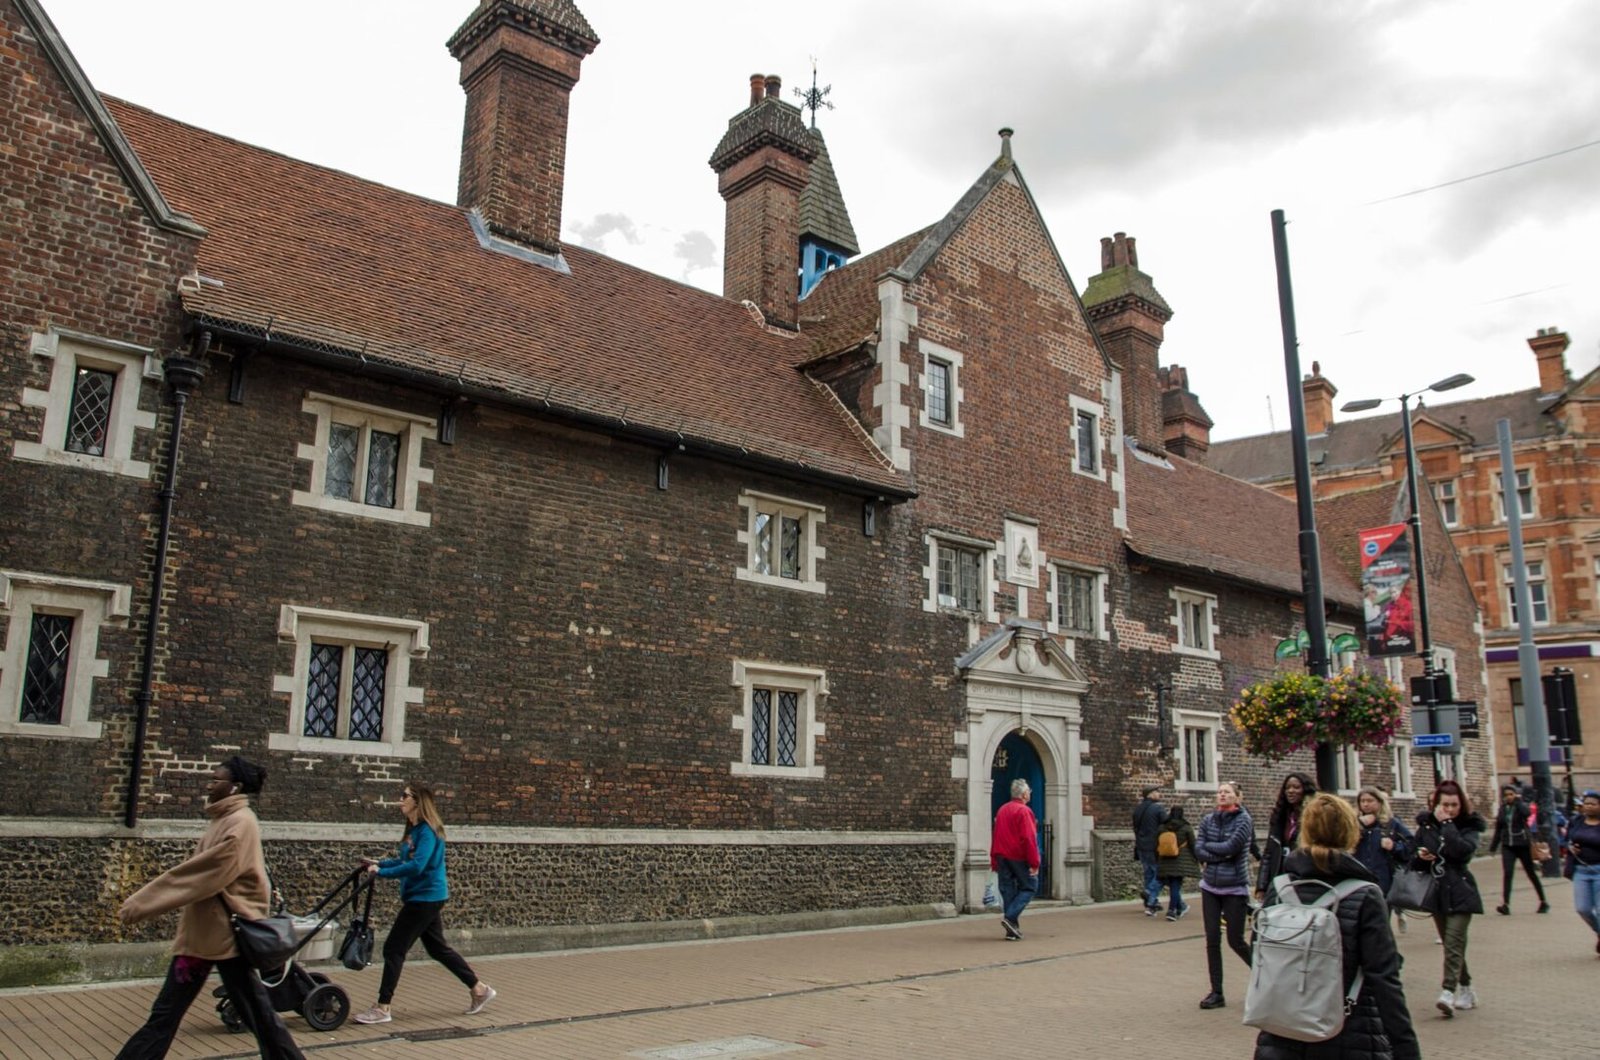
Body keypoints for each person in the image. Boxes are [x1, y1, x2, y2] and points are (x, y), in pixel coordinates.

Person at [115, 757, 306, 1060]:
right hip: (206, 937)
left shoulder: (240, 823)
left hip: (224, 937)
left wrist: (142, 903)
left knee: (255, 1018)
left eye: (216, 779)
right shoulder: (224, 820)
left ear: (234, 787)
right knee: (170, 1016)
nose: (210, 784)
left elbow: (201, 874)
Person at [1251, 794, 1421, 1060]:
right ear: (1350, 833)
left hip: (1283, 1029)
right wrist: (1406, 1049)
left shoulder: (1280, 889)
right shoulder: (1365, 894)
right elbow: (1385, 979)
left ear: (1305, 832)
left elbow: (1259, 955)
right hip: (1349, 1029)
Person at [355, 782, 494, 1024]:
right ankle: (479, 989)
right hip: (422, 896)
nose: (400, 799)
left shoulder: (428, 831)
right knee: (437, 948)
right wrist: (378, 863)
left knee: (393, 948)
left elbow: (418, 865)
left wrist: (382, 873)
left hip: (425, 898)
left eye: (405, 796)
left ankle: (382, 1007)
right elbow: (404, 859)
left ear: (418, 802)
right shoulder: (414, 830)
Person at [1411, 779, 1486, 1018]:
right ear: (1436, 803)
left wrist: (1448, 824)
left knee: (1453, 942)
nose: (1450, 809)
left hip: (1461, 890)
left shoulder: (1469, 826)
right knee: (1451, 944)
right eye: (1445, 805)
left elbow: (1461, 852)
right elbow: (1412, 859)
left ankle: (1447, 992)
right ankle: (1467, 988)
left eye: (1454, 805)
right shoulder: (1426, 825)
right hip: (1437, 892)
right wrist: (1422, 856)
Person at [1192, 780, 1254, 1010]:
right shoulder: (1208, 819)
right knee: (1212, 939)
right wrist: (1217, 853)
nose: (1222, 795)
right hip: (1210, 886)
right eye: (1219, 792)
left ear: (1238, 797)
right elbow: (1198, 848)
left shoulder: (1244, 820)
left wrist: (1211, 851)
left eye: (1227, 792)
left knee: (1235, 940)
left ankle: (1266, 978)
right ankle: (1216, 991)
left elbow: (1232, 847)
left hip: (1234, 887)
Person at [1352, 786, 1414, 934]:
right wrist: (1358, 826)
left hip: (1383, 880)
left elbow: (1411, 845)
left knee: (1381, 922)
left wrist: (1394, 846)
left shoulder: (1391, 824)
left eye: (1370, 800)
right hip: (1359, 879)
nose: (1366, 804)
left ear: (1379, 802)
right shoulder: (1353, 824)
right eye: (1362, 801)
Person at [990, 777, 1041, 940]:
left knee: (1008, 891)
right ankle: (1010, 917)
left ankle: (1011, 930)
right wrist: (1034, 862)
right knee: (1030, 886)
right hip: (1017, 856)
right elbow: (1028, 838)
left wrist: (994, 858)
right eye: (1029, 792)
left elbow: (996, 834)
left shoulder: (1002, 809)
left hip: (1001, 856)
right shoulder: (1024, 811)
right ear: (1024, 794)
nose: (1030, 794)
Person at [1488, 783, 1549, 915]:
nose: (1509, 797)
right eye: (1506, 795)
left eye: (1511, 794)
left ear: (1515, 795)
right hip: (1507, 845)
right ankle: (1506, 904)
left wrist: (1518, 802)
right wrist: (1493, 847)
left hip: (1522, 844)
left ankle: (1543, 901)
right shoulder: (1503, 809)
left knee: (1531, 873)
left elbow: (1527, 814)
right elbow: (1499, 828)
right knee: (1508, 873)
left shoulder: (1520, 806)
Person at [1257, 772, 1316, 899]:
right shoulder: (1280, 817)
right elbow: (1268, 853)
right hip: (1280, 875)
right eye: (1287, 787)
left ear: (1305, 790)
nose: (1290, 791)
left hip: (1301, 876)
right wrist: (1261, 886)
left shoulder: (1312, 817)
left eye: (1296, 787)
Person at [1566, 790, 1600, 955]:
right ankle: (1599, 932)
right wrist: (1571, 848)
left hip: (1599, 870)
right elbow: (1568, 840)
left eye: (1593, 804)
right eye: (1586, 803)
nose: (1588, 807)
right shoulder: (1577, 821)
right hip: (1581, 871)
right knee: (1583, 909)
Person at [1154, 803, 1199, 921]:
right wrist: (1198, 859)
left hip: (1164, 860)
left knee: (1173, 885)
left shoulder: (1162, 827)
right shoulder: (1186, 828)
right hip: (1180, 861)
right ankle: (1171, 910)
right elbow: (1193, 845)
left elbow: (1156, 844)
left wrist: (1157, 859)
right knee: (1175, 886)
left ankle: (1180, 907)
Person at [1132, 785, 1168, 916]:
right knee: (1160, 874)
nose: (1159, 794)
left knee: (1148, 873)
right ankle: (1149, 893)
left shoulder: (1138, 809)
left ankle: (1151, 902)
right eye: (1156, 792)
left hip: (1141, 846)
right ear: (1150, 794)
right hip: (1154, 846)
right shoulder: (1158, 808)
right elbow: (1167, 824)